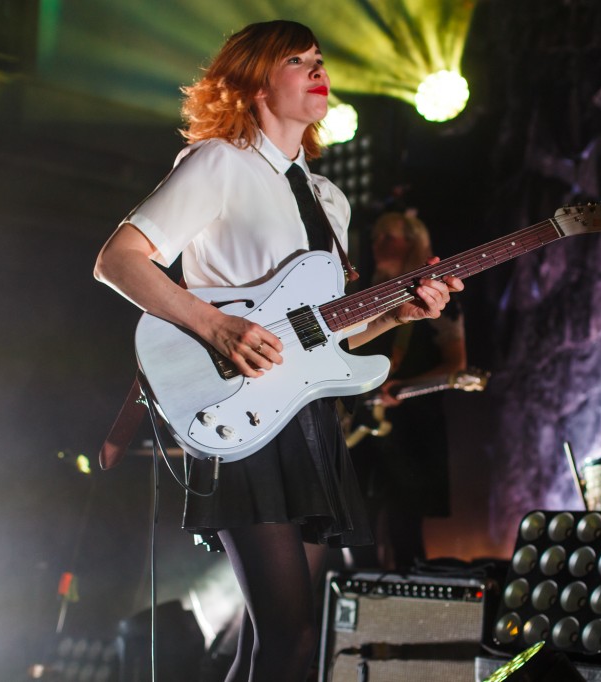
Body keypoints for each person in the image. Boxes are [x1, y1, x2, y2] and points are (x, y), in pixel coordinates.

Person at [92, 20, 462, 682]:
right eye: (297, 59)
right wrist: (216, 327)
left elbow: (332, 337)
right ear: (256, 81)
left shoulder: (330, 198)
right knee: (287, 641)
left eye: (319, 57)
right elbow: (118, 261)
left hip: (309, 422)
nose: (318, 68)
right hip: (240, 412)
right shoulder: (217, 163)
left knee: (282, 642)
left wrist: (399, 311)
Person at [347, 211, 467, 571]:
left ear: (412, 241)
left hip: (412, 428)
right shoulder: (361, 293)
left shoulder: (436, 298)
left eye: (389, 236)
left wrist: (404, 388)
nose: (377, 243)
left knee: (405, 532)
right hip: (359, 429)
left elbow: (456, 364)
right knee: (355, 529)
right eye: (376, 236)